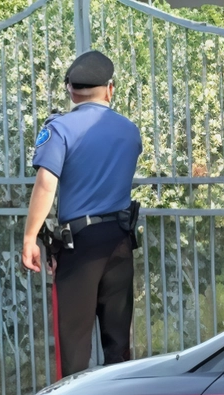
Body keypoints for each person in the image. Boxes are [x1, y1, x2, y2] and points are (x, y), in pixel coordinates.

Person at [21, 50, 142, 377]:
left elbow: (46, 184)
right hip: (120, 240)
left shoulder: (60, 128)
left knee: (74, 346)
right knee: (118, 343)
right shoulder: (130, 131)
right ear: (110, 89)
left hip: (80, 245)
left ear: (70, 90)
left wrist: (31, 237)